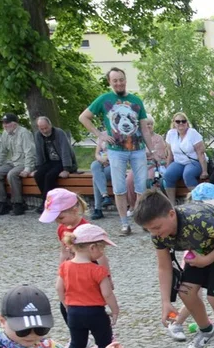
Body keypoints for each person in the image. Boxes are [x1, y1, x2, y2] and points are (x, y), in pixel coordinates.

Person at [132, 189, 214, 348]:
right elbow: (164, 267)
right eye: (149, 230)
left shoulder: (196, 219)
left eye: (156, 228)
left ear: (171, 214)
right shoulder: (159, 235)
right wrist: (166, 302)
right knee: (185, 292)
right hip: (200, 249)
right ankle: (207, 331)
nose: (154, 233)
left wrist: (207, 260)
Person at [56, 224, 131, 348]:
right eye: (102, 248)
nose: (103, 252)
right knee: (105, 342)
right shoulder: (98, 271)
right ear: (92, 247)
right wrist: (115, 310)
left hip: (74, 313)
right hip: (95, 313)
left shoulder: (65, 267)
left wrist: (67, 305)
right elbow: (107, 293)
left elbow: (59, 288)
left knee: (77, 343)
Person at [79, 67, 153, 228]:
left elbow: (144, 128)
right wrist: (100, 135)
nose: (119, 83)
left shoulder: (136, 101)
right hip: (116, 151)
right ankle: (124, 223)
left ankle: (141, 221)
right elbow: (83, 117)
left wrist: (151, 150)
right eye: (115, 80)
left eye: (121, 79)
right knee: (119, 188)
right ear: (110, 82)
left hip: (137, 149)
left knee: (141, 187)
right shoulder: (104, 99)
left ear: (125, 80)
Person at [39, 189, 110, 338]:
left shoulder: (87, 229)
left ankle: (104, 335)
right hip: (73, 274)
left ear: (74, 209)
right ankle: (78, 335)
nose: (59, 221)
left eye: (61, 217)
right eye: (56, 219)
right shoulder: (62, 229)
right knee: (65, 305)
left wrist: (107, 277)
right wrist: (61, 273)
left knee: (94, 306)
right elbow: (64, 252)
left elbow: (101, 256)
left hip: (89, 275)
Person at [89, 138, 136, 227]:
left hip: (115, 165)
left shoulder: (118, 135)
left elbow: (124, 154)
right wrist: (101, 159)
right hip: (102, 165)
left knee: (96, 178)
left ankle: (98, 208)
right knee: (94, 165)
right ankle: (105, 196)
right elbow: (97, 154)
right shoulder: (101, 137)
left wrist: (109, 159)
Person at [163, 112, 208, 203]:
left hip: (194, 161)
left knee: (188, 174)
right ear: (174, 123)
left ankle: (199, 201)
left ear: (187, 123)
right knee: (168, 175)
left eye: (183, 121)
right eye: (178, 121)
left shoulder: (192, 133)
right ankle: (171, 204)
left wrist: (204, 171)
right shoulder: (171, 134)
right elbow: (170, 154)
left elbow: (201, 153)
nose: (181, 124)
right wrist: (167, 167)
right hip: (179, 162)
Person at [31, 117, 77, 205]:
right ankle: (48, 200)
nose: (44, 131)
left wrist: (66, 169)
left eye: (46, 128)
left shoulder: (59, 133)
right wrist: (38, 167)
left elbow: (65, 150)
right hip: (49, 161)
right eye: (42, 129)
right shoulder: (38, 135)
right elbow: (39, 152)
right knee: (38, 175)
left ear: (50, 125)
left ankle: (46, 202)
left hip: (62, 161)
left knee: (50, 176)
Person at [0, 113, 37, 216]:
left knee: (12, 174)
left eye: (7, 123)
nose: (4, 126)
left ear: (14, 124)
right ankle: (2, 202)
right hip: (12, 161)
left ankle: (18, 203)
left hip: (24, 162)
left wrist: (28, 169)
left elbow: (30, 152)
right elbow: (2, 152)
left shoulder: (24, 133)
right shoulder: (5, 133)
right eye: (3, 123)